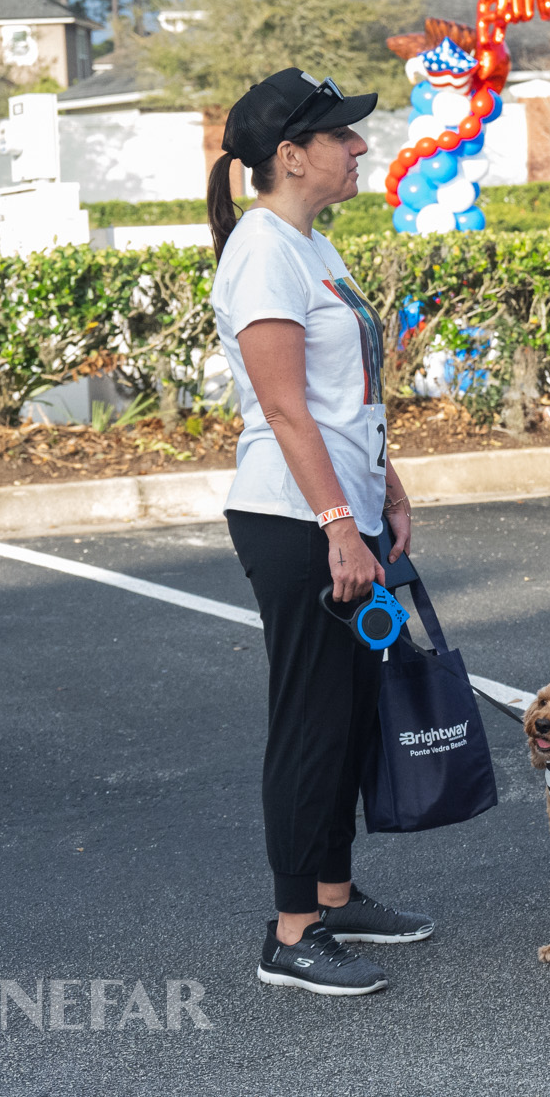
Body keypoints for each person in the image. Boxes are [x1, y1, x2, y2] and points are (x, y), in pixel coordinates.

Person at [208, 69, 433, 997]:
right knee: (309, 717)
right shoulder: (263, 250)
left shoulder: (310, 244)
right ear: (291, 156)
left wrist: (387, 484)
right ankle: (292, 931)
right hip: (295, 517)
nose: (360, 146)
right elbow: (285, 409)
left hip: (342, 508)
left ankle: (333, 896)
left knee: (347, 713)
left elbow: (347, 399)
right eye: (342, 135)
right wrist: (340, 524)